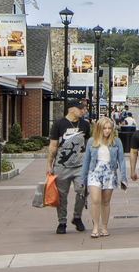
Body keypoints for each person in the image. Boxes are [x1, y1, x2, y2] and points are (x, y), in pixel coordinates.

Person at [45, 100, 92, 234]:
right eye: (81, 108)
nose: (83, 111)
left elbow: (88, 144)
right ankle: (62, 221)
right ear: (71, 109)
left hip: (80, 165)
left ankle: (77, 217)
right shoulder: (59, 124)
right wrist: (49, 164)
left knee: (83, 190)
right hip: (62, 165)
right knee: (61, 195)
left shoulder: (85, 124)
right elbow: (53, 145)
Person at [78, 116, 126, 239]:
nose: (107, 131)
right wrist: (82, 179)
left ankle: (104, 226)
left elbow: (121, 160)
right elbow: (86, 160)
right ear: (99, 128)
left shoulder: (116, 142)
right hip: (95, 172)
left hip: (109, 173)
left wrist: (123, 177)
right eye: (104, 128)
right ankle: (95, 227)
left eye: (109, 128)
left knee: (105, 201)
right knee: (95, 200)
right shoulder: (91, 141)